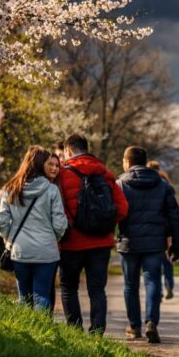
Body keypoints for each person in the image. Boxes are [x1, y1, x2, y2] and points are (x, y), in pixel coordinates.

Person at [57, 133, 129, 334]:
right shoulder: (104, 174)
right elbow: (122, 209)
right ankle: (97, 333)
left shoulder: (62, 175)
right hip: (100, 244)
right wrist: (103, 223)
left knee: (69, 288)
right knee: (97, 290)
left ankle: (75, 331)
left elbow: (56, 209)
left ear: (68, 150)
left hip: (71, 243)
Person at [117, 147, 179, 343]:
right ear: (145, 162)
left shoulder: (120, 184)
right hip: (155, 243)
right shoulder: (162, 184)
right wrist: (176, 244)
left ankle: (134, 326)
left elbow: (114, 212)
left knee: (130, 285)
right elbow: (174, 215)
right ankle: (151, 321)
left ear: (127, 162)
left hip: (129, 242)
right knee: (152, 281)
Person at [0, 146, 68, 311]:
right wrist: (54, 237)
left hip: (20, 251)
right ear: (41, 165)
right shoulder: (51, 190)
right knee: (42, 295)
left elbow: (1, 221)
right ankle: (41, 332)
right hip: (46, 252)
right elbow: (60, 224)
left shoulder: (11, 189)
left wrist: (8, 238)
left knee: (24, 297)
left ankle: (26, 334)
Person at [146, 160, 176, 300]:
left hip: (152, 228)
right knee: (167, 261)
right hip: (166, 230)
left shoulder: (146, 182)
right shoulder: (166, 183)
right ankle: (169, 284)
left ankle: (157, 291)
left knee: (154, 265)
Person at [44, 152, 62, 312]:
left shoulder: (57, 187)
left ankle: (46, 321)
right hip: (47, 243)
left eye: (57, 165)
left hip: (54, 244)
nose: (55, 168)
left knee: (49, 285)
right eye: (51, 165)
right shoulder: (49, 188)